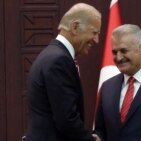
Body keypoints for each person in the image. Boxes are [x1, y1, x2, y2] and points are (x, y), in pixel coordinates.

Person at [25, 3, 101, 141]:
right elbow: (66, 119)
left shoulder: (51, 54)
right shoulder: (58, 60)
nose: (96, 40)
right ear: (75, 27)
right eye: (94, 32)